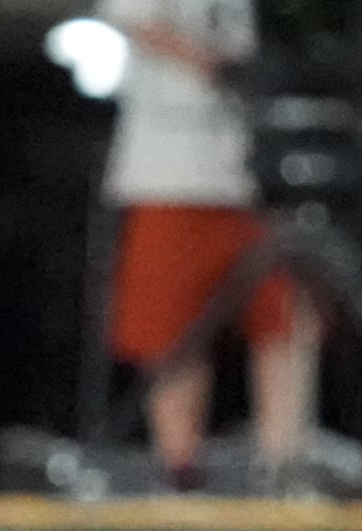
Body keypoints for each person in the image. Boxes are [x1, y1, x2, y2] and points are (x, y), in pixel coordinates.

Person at [101, 0, 322, 486]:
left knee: (284, 321)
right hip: (172, 174)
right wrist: (217, 65)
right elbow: (133, 17)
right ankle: (179, 470)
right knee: (170, 330)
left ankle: (284, 467)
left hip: (274, 174)